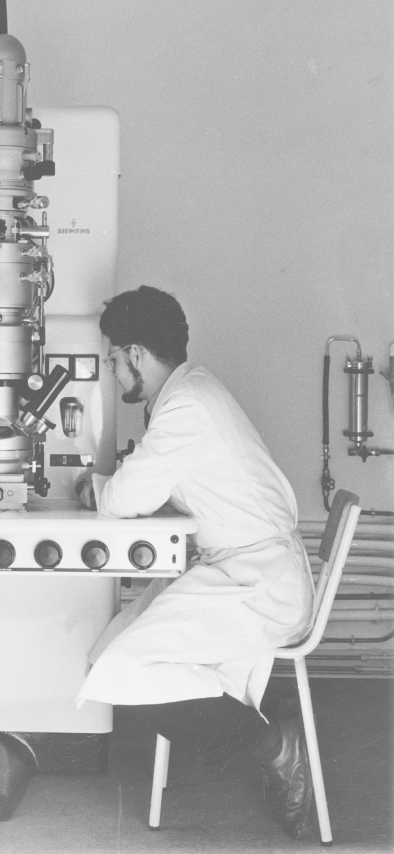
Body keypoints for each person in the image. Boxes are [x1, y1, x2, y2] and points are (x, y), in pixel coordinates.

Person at [76, 286, 315, 839]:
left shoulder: (186, 406)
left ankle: (273, 745)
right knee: (106, 657)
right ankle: (265, 731)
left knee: (125, 665)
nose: (112, 371)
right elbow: (148, 486)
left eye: (113, 360)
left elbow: (126, 499)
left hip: (257, 583)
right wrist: (112, 486)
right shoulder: (190, 392)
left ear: (136, 354)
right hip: (235, 571)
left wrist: (100, 488)